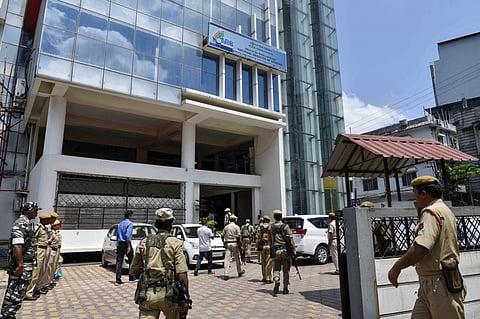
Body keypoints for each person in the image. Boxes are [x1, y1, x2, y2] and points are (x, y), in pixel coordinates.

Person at [388, 176, 466, 318]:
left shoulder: (431, 212)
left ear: (424, 194)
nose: (415, 199)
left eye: (415, 194)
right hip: (432, 282)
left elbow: (421, 248)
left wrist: (396, 267)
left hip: (439, 283)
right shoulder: (442, 210)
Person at [130, 207, 191, 319]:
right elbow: (182, 274)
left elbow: (133, 271)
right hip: (170, 296)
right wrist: (185, 298)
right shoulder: (176, 243)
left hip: (147, 295)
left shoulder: (143, 242)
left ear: (156, 225)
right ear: (171, 225)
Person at [1, 201, 39, 318]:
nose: (36, 213)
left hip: (26, 263)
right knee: (16, 291)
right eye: (36, 211)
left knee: (16, 291)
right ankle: (7, 314)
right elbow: (17, 245)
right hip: (23, 265)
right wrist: (20, 265)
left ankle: (8, 314)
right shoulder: (21, 224)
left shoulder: (25, 223)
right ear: (31, 211)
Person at [24, 211, 52, 300]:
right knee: (35, 271)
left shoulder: (45, 228)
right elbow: (32, 239)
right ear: (43, 220)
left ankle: (36, 288)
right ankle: (28, 292)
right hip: (39, 250)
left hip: (44, 249)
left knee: (41, 270)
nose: (49, 221)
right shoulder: (38, 228)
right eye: (48, 219)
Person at [269, 209, 296, 295]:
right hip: (285, 251)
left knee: (276, 268)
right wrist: (294, 250)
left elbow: (270, 240)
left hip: (276, 250)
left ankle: (276, 279)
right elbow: (291, 239)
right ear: (281, 217)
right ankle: (285, 288)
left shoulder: (271, 227)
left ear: (274, 217)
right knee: (286, 270)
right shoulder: (285, 226)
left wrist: (271, 248)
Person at [222, 214, 244, 280]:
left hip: (228, 243)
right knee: (237, 258)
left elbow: (222, 235)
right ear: (235, 220)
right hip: (234, 243)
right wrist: (240, 245)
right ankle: (239, 271)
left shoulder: (226, 227)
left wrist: (224, 241)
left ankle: (226, 274)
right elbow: (238, 237)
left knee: (227, 259)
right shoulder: (237, 227)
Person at [116, 210, 135, 285]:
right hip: (126, 243)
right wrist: (129, 246)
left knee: (119, 262)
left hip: (120, 243)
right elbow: (128, 236)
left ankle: (118, 280)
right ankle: (131, 277)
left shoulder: (120, 224)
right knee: (131, 260)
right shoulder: (129, 223)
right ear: (130, 216)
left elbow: (118, 235)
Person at [256, 215, 272, 283]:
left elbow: (257, 238)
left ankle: (264, 277)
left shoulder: (260, 227)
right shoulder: (270, 227)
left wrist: (256, 246)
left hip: (262, 246)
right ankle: (269, 278)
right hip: (268, 245)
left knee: (263, 262)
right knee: (269, 262)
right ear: (268, 220)